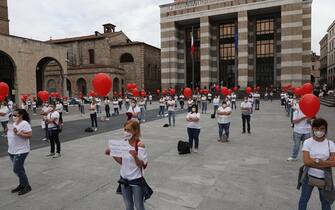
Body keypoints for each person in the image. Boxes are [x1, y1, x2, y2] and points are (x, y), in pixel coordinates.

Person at [105, 120, 148, 210]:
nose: (126, 132)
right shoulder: (123, 143)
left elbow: (141, 165)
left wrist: (135, 156)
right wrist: (112, 154)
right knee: (128, 206)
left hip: (136, 181)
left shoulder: (140, 145)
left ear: (135, 131)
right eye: (125, 129)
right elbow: (122, 162)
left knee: (139, 206)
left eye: (129, 130)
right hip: (124, 179)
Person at [298, 118, 335, 210]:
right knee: (304, 199)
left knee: (326, 202)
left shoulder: (330, 144)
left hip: (325, 178)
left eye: (322, 129)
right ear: (313, 129)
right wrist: (325, 162)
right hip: (308, 176)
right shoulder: (307, 142)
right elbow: (306, 161)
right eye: (316, 129)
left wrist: (315, 160)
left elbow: (334, 162)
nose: (319, 131)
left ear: (325, 129)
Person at [7, 109, 32, 195]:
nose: (13, 116)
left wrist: (18, 133)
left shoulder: (24, 123)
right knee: (19, 169)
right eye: (12, 115)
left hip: (21, 150)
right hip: (12, 150)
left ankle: (27, 186)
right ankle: (22, 184)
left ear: (21, 115)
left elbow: (29, 135)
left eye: (15, 115)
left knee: (16, 168)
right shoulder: (13, 124)